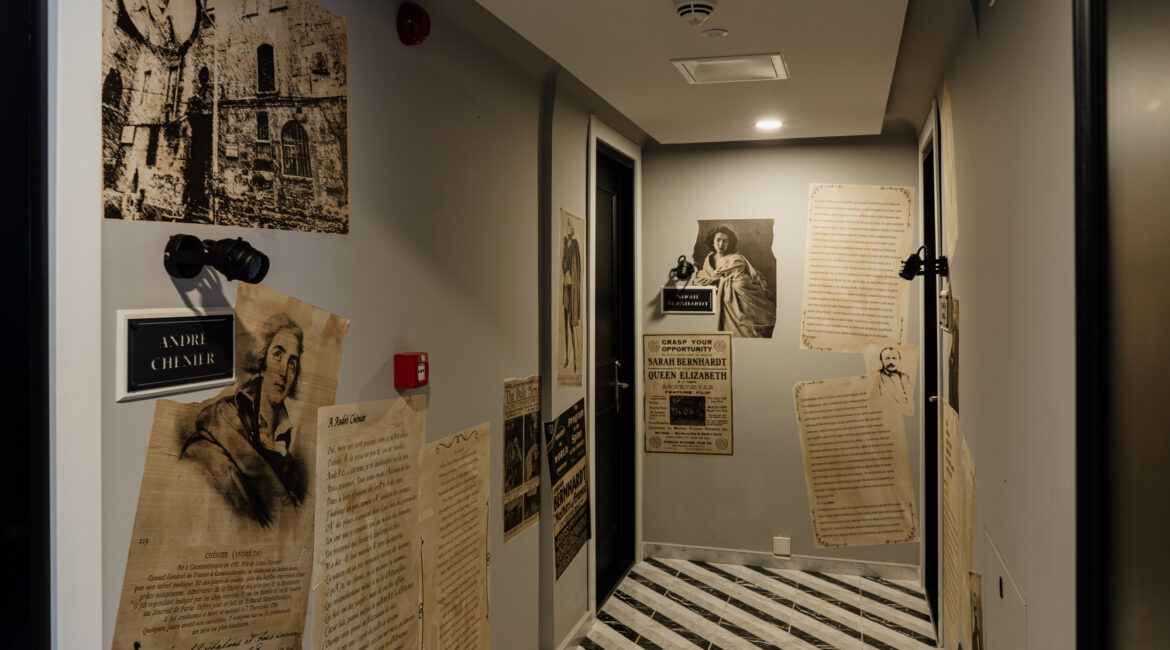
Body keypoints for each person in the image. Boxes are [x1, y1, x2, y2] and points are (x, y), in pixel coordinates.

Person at [180, 314, 307, 528]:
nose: (284, 372)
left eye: (292, 364)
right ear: (263, 361)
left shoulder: (285, 448)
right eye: (278, 355)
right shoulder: (224, 423)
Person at [694, 226, 776, 338]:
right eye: (718, 240)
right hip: (716, 298)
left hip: (738, 301)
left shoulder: (736, 259)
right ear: (712, 241)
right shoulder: (709, 259)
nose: (721, 244)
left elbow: (743, 280)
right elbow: (704, 275)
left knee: (747, 328)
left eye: (725, 241)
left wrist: (727, 283)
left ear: (730, 243)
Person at [561, 220, 582, 370]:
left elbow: (578, 267)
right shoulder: (564, 242)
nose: (569, 229)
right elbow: (564, 261)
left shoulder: (575, 244)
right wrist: (565, 273)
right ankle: (567, 358)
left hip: (572, 287)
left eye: (571, 227)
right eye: (568, 226)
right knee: (565, 322)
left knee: (571, 324)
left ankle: (575, 359)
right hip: (566, 287)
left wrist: (572, 277)